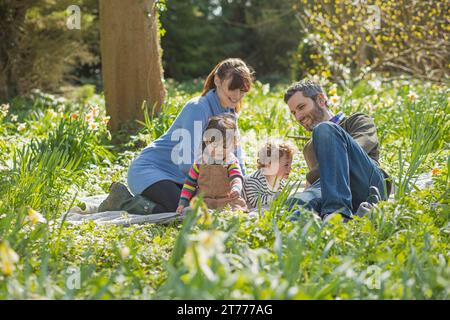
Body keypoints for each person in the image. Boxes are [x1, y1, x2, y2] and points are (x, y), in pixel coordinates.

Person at [99, 58, 254, 214]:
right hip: (151, 171)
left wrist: (242, 188)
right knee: (184, 209)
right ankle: (122, 201)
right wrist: (210, 188)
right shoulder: (198, 108)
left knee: (212, 207)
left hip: (182, 178)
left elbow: (236, 158)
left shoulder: (230, 114)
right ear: (217, 81)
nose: (237, 95)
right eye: (232, 88)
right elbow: (186, 161)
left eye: (242, 90)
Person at [283, 79, 391, 220]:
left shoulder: (358, 120)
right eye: (293, 113)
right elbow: (325, 180)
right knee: (295, 202)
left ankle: (337, 215)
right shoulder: (309, 148)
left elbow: (359, 148)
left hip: (368, 185)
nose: (298, 117)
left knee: (325, 129)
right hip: (334, 193)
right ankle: (317, 228)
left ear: (321, 100)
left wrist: (311, 178)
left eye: (301, 107)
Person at [176, 114, 247, 213]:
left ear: (233, 146)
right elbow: (189, 184)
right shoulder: (200, 162)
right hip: (204, 202)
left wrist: (236, 188)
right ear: (207, 141)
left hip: (226, 201)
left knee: (235, 212)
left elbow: (236, 177)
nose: (218, 150)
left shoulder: (230, 161)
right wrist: (182, 203)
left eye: (224, 147)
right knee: (190, 212)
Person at [243, 140, 295, 209]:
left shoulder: (280, 182)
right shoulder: (254, 180)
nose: (290, 169)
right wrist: (275, 198)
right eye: (286, 165)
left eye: (290, 165)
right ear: (269, 164)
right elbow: (255, 201)